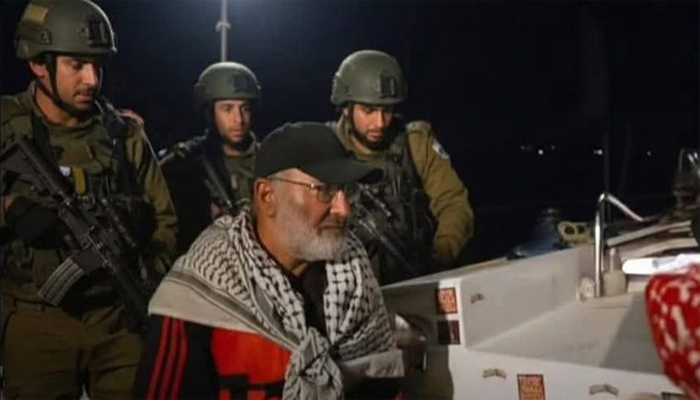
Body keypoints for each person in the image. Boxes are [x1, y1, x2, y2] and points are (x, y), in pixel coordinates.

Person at [134, 122, 403, 399]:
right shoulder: (197, 298)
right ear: (267, 196)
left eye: (347, 191)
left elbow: (382, 389)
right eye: (324, 190)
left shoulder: (353, 275)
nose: (343, 209)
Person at [1, 0, 178, 397]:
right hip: (36, 319)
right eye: (77, 65)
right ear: (39, 64)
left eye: (97, 66)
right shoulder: (8, 126)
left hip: (118, 318)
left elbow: (165, 219)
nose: (92, 79)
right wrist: (10, 209)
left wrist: (147, 270)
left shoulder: (124, 135)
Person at [329, 49, 474, 284]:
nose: (380, 123)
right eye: (368, 111)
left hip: (414, 280)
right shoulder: (325, 150)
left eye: (386, 111)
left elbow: (453, 203)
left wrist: (440, 255)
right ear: (346, 108)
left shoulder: (415, 143)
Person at [158, 61, 262, 250]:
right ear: (210, 112)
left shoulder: (269, 161)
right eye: (227, 109)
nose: (239, 119)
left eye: (245, 108)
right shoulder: (185, 161)